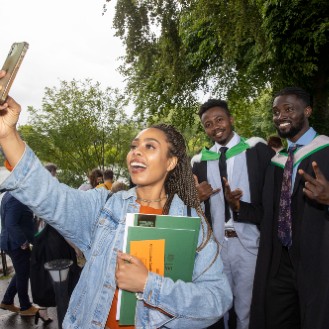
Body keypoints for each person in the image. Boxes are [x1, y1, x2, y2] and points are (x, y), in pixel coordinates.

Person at [0, 83, 232, 328]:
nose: (135, 153)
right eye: (134, 147)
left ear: (171, 162)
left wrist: (149, 285)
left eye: (149, 146)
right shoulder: (106, 208)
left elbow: (217, 299)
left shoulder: (191, 224)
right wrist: (8, 136)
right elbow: (51, 196)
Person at [249, 87, 329, 329]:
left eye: (288, 109)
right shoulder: (277, 161)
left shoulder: (326, 150)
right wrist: (238, 207)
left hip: (319, 261)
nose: (280, 116)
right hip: (280, 262)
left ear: (307, 111)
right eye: (275, 111)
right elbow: (268, 213)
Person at [192, 99, 274, 329]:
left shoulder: (257, 150)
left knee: (247, 307)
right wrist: (196, 198)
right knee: (219, 306)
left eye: (219, 119)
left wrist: (239, 206)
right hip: (216, 247)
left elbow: (271, 199)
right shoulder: (199, 162)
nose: (215, 126)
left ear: (231, 119)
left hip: (249, 243)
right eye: (208, 124)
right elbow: (189, 209)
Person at [30, 164, 82, 325]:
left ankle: (44, 311)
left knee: (50, 286)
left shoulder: (36, 196)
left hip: (42, 249)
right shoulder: (53, 198)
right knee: (63, 294)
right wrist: (76, 247)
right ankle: (64, 324)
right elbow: (62, 226)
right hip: (57, 252)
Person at [0, 191, 39, 316]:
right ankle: (25, 307)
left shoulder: (9, 194)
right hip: (16, 243)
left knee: (22, 271)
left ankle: (7, 301)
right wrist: (23, 242)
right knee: (23, 272)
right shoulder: (16, 197)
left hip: (11, 241)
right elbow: (10, 224)